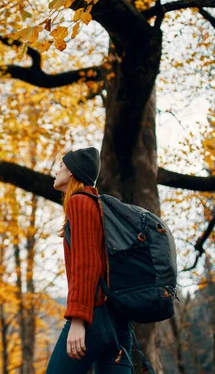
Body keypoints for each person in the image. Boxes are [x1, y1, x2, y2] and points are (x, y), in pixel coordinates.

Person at [46, 147, 133, 374]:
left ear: (73, 172)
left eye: (61, 166)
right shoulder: (96, 205)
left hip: (93, 317)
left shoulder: (80, 202)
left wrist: (77, 320)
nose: (56, 171)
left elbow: (87, 264)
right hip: (118, 323)